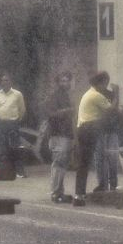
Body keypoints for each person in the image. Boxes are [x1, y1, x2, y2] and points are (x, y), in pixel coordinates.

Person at [73, 72, 113, 207]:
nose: (105, 87)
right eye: (105, 83)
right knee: (93, 159)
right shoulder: (96, 95)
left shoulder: (88, 93)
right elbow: (113, 109)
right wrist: (117, 93)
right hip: (90, 128)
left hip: (83, 128)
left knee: (83, 163)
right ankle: (101, 185)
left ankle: (79, 194)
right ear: (101, 83)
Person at [42, 72, 75, 202]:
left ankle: (60, 192)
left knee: (62, 164)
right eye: (62, 81)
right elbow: (50, 113)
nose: (65, 83)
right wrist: (66, 111)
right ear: (58, 82)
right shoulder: (54, 96)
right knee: (58, 163)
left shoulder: (66, 96)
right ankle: (55, 193)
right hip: (57, 134)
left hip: (65, 133)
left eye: (67, 81)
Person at [0, 73, 27, 178]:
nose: (5, 82)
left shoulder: (17, 94)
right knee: (1, 148)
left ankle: (19, 171)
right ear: (1, 82)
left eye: (7, 80)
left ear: (11, 82)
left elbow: (22, 109)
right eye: (3, 80)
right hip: (1, 124)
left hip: (13, 123)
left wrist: (16, 119)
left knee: (15, 147)